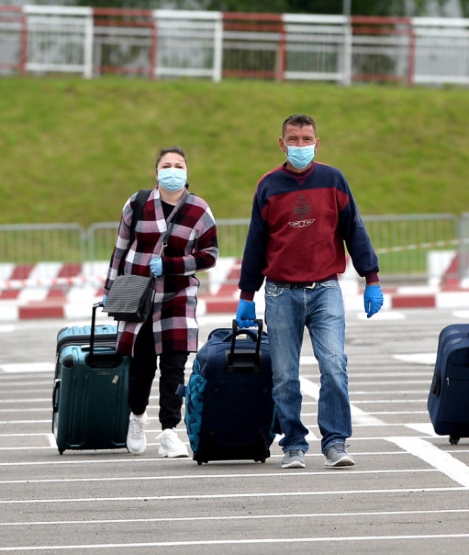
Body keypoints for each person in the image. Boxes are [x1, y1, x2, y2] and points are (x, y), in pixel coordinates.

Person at [234, 114, 383, 470]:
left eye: (307, 139)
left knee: (334, 365)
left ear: (317, 142)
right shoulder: (268, 185)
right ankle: (294, 445)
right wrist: (246, 294)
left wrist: (371, 278)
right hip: (280, 293)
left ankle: (334, 441)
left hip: (325, 290)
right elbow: (256, 242)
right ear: (281, 143)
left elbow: (354, 230)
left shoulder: (333, 180)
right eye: (294, 139)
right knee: (285, 374)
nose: (301, 145)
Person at [105, 147, 219, 458]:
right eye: (166, 165)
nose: (172, 170)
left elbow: (210, 255)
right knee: (141, 367)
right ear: (156, 173)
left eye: (178, 165)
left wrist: (172, 265)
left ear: (187, 172)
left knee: (174, 366)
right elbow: (120, 248)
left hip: (179, 296)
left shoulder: (199, 210)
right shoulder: (138, 203)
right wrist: (109, 288)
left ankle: (169, 431)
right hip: (138, 297)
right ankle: (137, 418)